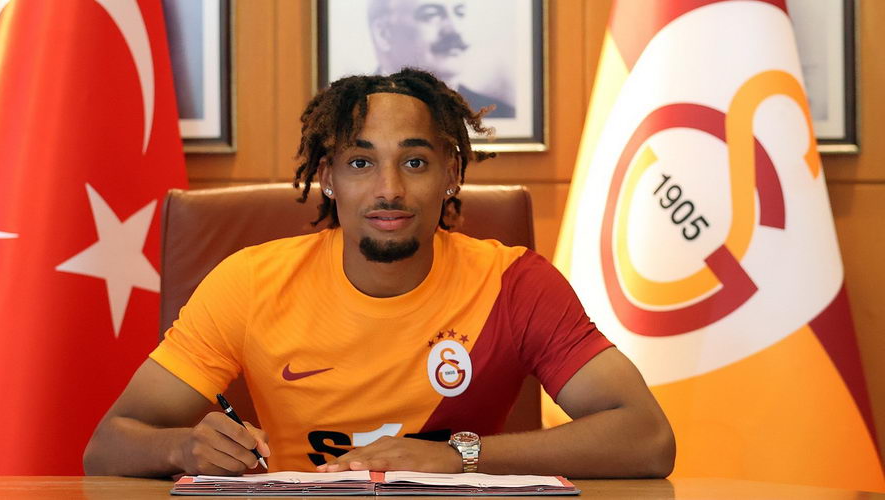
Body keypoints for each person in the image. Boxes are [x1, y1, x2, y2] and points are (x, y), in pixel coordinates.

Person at [83, 69, 675, 478]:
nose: (389, 189)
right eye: (361, 162)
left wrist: (458, 457)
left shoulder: (515, 283)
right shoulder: (249, 282)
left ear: (451, 174)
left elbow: (647, 438)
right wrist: (184, 448)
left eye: (414, 161)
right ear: (328, 179)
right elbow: (108, 444)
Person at [367, 0, 516, 118]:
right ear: (383, 33)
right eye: (431, 15)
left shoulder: (499, 113)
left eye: (460, 13)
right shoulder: (356, 112)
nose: (455, 29)